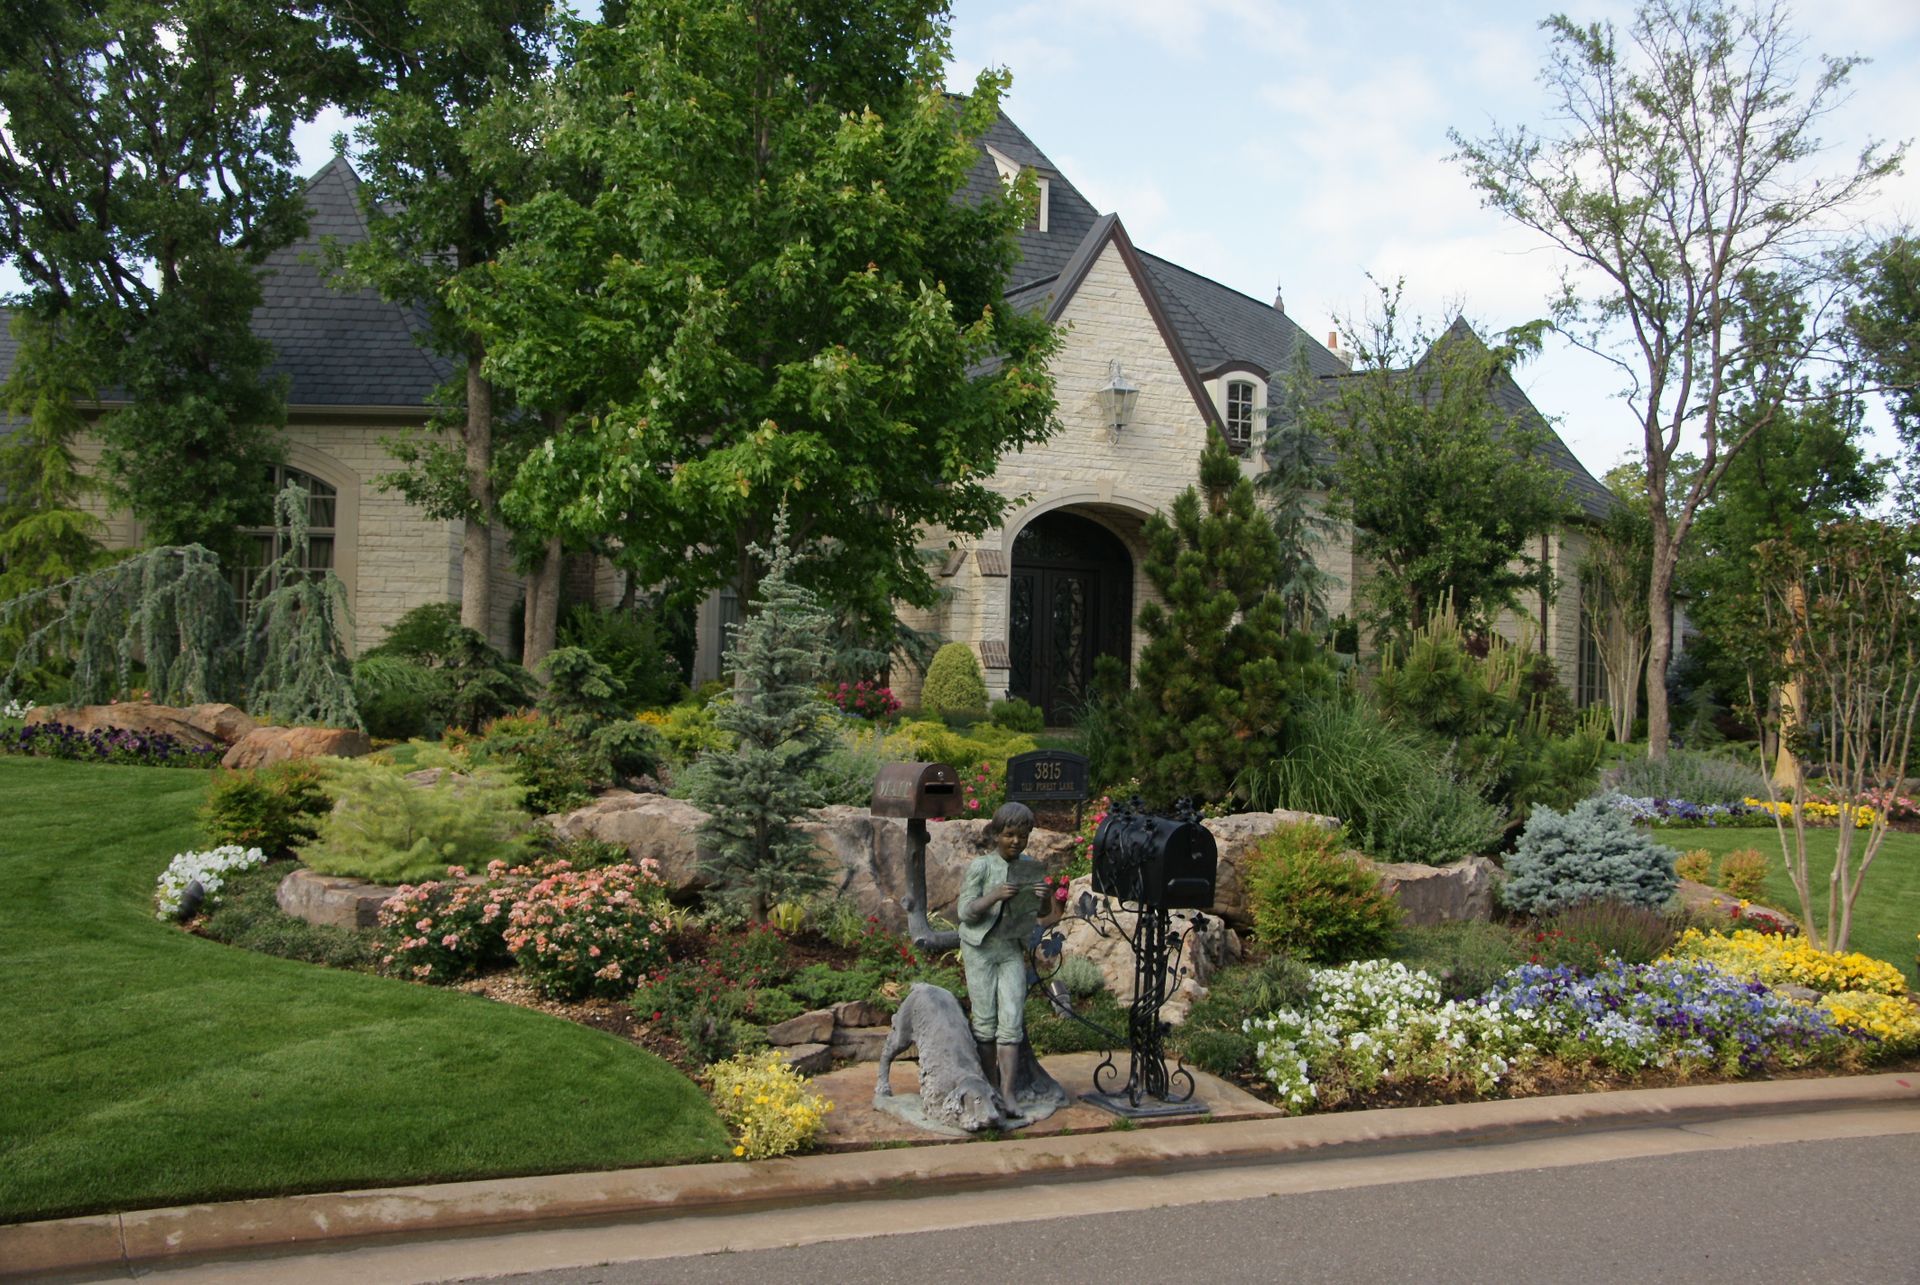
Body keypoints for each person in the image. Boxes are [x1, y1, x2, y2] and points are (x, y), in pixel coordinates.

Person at [957, 801, 1062, 1118]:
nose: (1015, 842)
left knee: (1012, 1021)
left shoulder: (1030, 867)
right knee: (985, 1020)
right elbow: (965, 912)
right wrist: (994, 896)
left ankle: (1008, 1093)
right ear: (996, 835)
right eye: (1009, 835)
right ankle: (989, 1089)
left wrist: (1043, 902)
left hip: (1011, 949)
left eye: (1022, 836)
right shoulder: (982, 867)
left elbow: (1041, 916)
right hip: (981, 949)